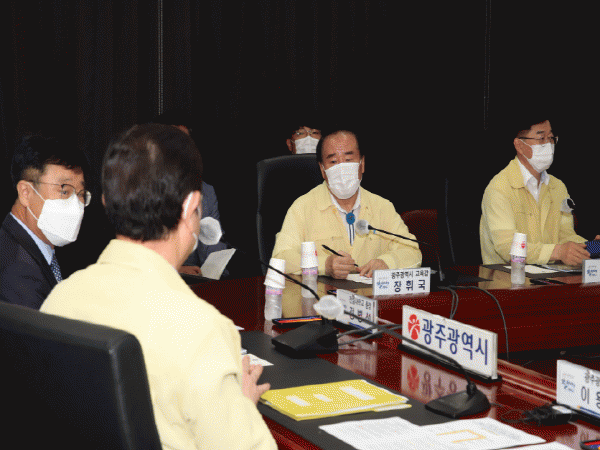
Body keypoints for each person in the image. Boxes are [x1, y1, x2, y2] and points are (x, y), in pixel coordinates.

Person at [41, 124, 276, 450]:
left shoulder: (58, 300)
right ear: (192, 207)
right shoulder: (202, 329)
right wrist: (243, 408)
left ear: (106, 203)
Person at [272, 129, 422, 279]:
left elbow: (412, 252)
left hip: (370, 293)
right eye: (333, 162)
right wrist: (323, 265)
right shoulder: (302, 207)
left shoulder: (382, 207)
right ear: (322, 170)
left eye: (348, 160)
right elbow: (280, 258)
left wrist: (387, 263)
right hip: (323, 293)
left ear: (362, 164)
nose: (342, 168)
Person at [480, 118, 598, 265]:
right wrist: (557, 252)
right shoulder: (499, 188)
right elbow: (507, 247)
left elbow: (565, 236)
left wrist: (592, 247)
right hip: (505, 276)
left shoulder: (558, 187)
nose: (548, 144)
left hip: (548, 275)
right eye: (541, 138)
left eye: (551, 138)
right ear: (519, 145)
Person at [0, 135, 89, 309]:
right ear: (25, 193)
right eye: (65, 191)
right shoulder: (18, 271)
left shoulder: (39, 248)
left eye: (80, 194)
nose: (76, 205)